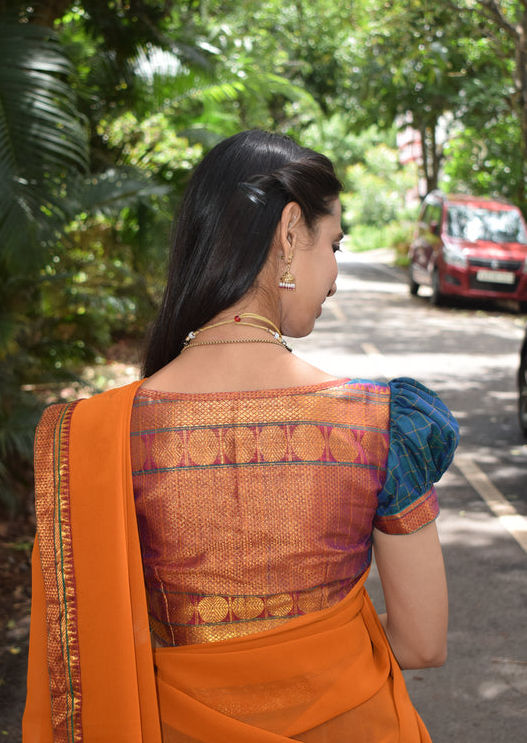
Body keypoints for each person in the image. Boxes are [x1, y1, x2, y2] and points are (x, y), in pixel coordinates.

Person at [23, 130, 459, 742]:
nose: (334, 276)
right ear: (288, 235)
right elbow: (421, 642)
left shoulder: (95, 437)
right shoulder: (381, 425)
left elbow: (94, 649)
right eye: (333, 244)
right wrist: (310, 659)